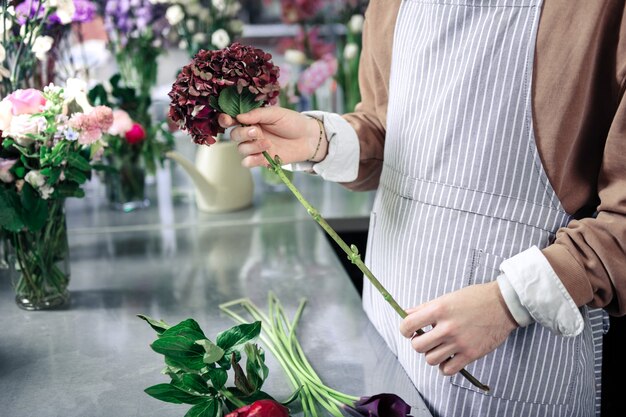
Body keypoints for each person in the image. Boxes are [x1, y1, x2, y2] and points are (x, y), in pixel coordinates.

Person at [219, 0, 626, 416]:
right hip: (387, 329)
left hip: (513, 358)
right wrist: (319, 140)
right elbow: (385, 127)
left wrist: (510, 302)